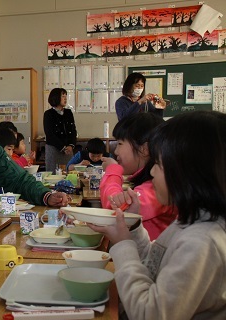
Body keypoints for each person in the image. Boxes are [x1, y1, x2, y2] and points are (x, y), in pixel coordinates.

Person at [89, 111, 226, 320]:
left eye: (159, 165)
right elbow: (155, 264)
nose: (152, 172)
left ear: (190, 174)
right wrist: (133, 227)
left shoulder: (202, 242)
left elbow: (149, 314)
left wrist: (123, 246)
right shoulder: (191, 222)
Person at [100, 113, 176, 240]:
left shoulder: (155, 190)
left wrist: (112, 170)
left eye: (119, 143)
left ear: (144, 149)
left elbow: (113, 211)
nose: (116, 151)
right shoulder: (150, 184)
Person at [43, 88, 77, 172]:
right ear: (56, 98)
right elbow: (49, 134)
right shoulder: (48, 114)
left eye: (66, 96)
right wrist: (63, 147)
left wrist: (71, 145)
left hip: (68, 150)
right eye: (63, 96)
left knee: (69, 173)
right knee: (53, 174)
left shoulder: (68, 113)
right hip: (54, 149)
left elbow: (73, 131)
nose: (65, 98)